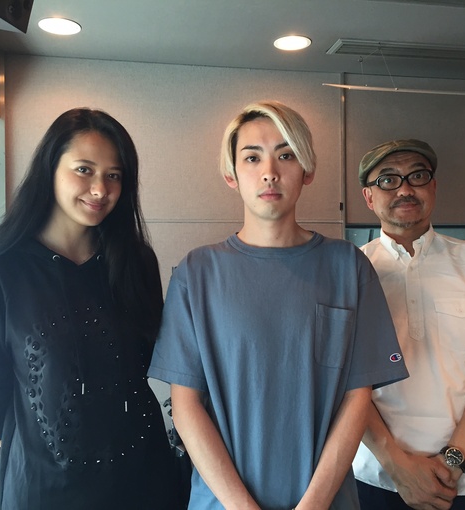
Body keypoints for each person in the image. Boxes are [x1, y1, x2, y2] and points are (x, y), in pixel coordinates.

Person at [148, 100, 409, 509]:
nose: (269, 171)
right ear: (231, 174)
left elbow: (357, 399)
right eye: (252, 157)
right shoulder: (197, 273)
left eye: (286, 155)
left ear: (307, 170)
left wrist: (314, 504)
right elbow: (185, 406)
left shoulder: (348, 267)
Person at [0, 108, 180, 509]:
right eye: (84, 170)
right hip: (44, 492)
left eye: (114, 175)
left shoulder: (135, 262)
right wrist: (43, 445)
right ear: (50, 169)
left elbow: (146, 362)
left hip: (144, 482)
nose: (100, 189)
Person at [352, 139, 465, 510]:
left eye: (417, 176)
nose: (405, 188)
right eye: (388, 179)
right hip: (377, 478)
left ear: (433, 187)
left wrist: (452, 462)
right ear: (369, 197)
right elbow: (348, 385)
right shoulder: (350, 272)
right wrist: (398, 466)